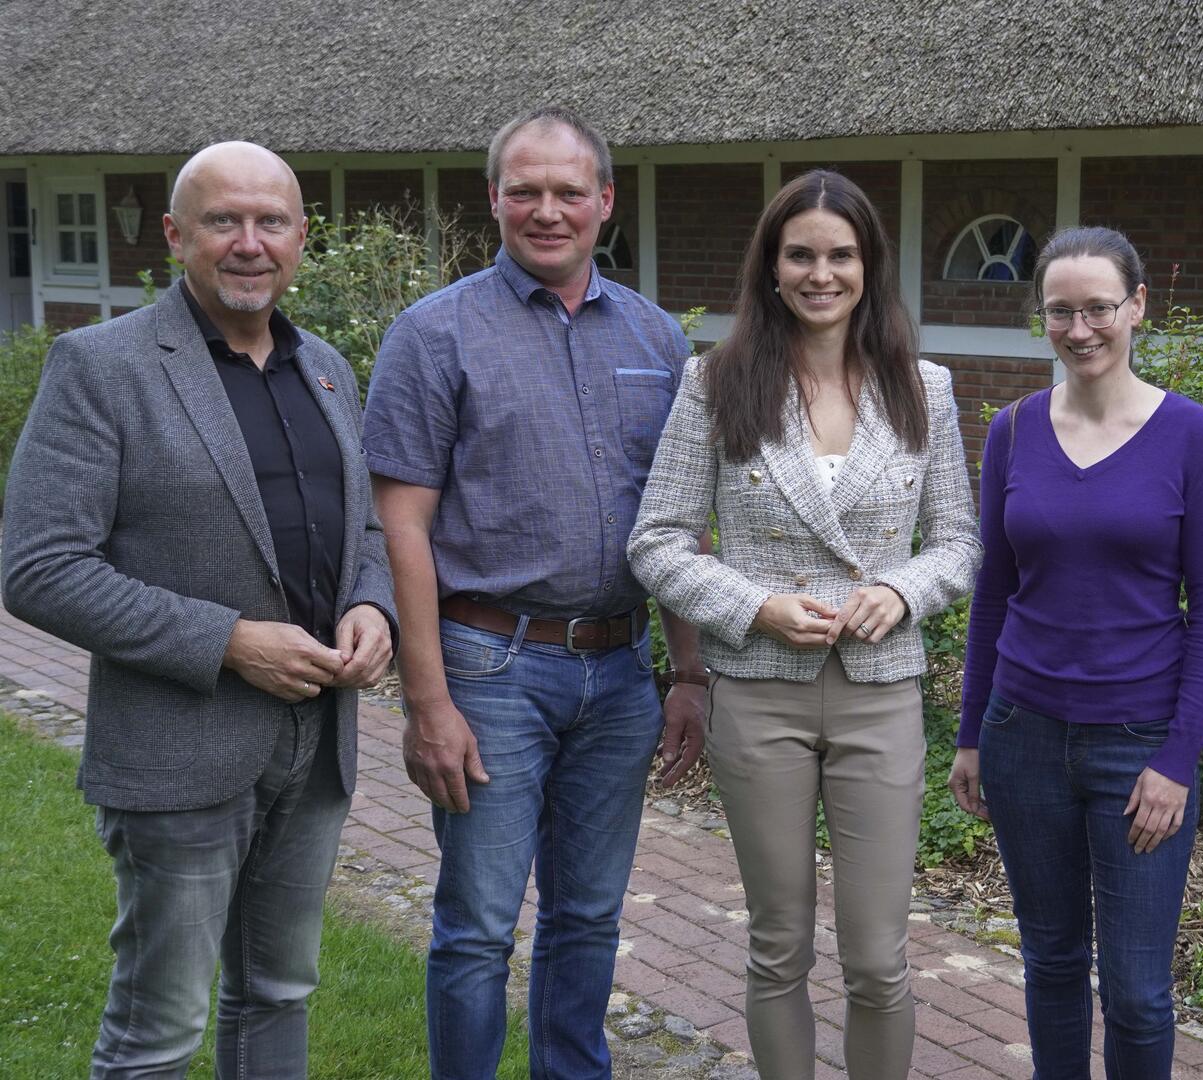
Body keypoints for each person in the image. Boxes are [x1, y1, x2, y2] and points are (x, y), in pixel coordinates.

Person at [1, 141, 395, 1079]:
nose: (249, 244)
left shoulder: (327, 367)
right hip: (178, 752)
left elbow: (365, 527)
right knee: (159, 1034)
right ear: (178, 236)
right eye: (225, 221)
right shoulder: (102, 365)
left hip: (315, 747)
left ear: (302, 237)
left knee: (277, 997)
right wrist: (225, 641)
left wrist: (372, 602)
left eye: (271, 223)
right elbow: (38, 566)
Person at [360, 106, 705, 1079]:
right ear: (494, 199)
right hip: (488, 671)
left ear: (604, 201)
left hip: (618, 673)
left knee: (589, 918)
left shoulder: (654, 336)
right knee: (475, 925)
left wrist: (689, 670)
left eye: (567, 192)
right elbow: (403, 531)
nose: (546, 210)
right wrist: (427, 704)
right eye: (525, 191)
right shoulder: (433, 335)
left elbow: (675, 522)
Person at [628, 169, 979, 1080]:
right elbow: (658, 541)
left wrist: (900, 592)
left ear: (869, 265)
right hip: (761, 697)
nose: (821, 273)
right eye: (801, 255)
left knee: (877, 957)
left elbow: (957, 542)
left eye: (841, 254)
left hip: (879, 696)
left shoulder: (922, 387)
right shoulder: (716, 382)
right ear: (772, 267)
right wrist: (755, 607)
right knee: (778, 943)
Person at [944, 226, 1203, 1077]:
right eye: (1061, 312)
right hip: (1022, 737)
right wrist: (972, 734)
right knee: (1053, 963)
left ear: (1137, 307)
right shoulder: (1014, 430)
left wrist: (1180, 758)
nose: (1081, 330)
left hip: (1138, 746)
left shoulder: (1191, 436)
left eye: (1099, 308)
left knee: (1139, 989)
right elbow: (995, 592)